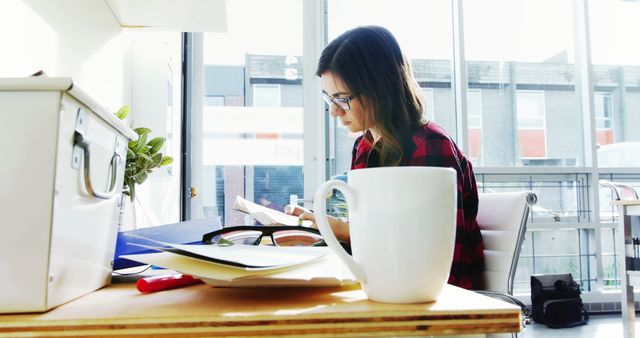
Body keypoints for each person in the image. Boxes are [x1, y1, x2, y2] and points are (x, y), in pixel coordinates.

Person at [287, 25, 484, 290]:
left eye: (342, 98)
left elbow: (434, 259)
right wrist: (327, 227)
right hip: (388, 283)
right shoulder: (365, 146)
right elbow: (381, 233)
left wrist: (344, 231)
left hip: (433, 298)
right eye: (329, 98)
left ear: (379, 89)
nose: (334, 112)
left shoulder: (431, 146)